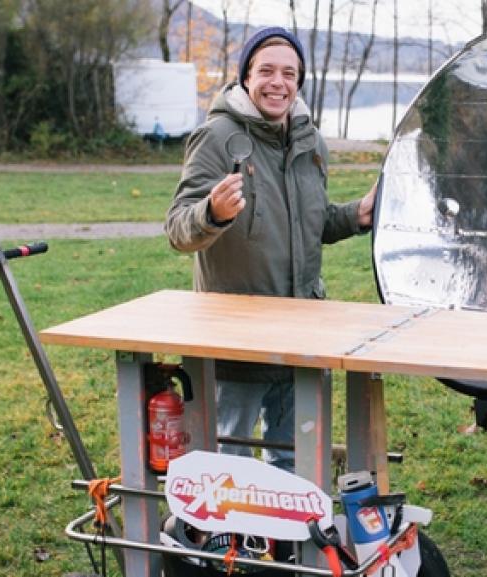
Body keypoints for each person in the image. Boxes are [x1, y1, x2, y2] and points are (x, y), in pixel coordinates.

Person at [164, 27, 376, 472]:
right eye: (266, 71)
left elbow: (309, 223)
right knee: (228, 461)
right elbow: (179, 229)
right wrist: (212, 212)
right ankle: (228, 520)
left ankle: (286, 521)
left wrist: (356, 215)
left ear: (299, 82)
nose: (277, 82)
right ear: (246, 77)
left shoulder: (310, 141)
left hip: (302, 332)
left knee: (295, 462)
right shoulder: (216, 137)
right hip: (236, 340)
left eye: (289, 73)